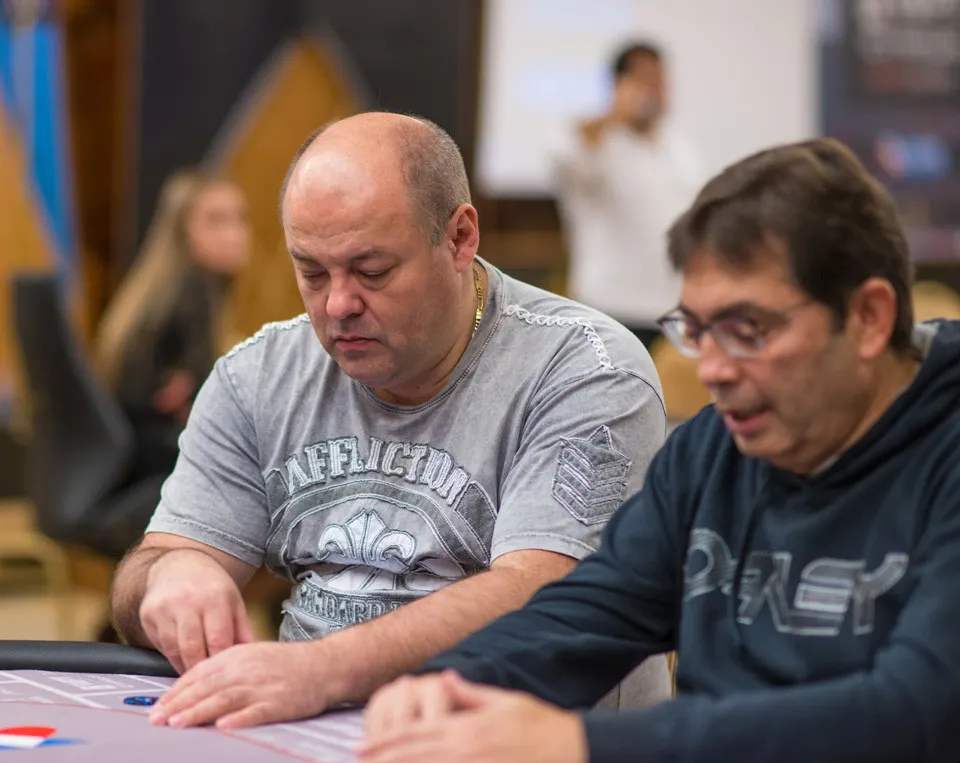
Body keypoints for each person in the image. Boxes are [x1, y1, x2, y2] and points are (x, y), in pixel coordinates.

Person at [349, 136, 960, 763]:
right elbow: (591, 612)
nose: (713, 370)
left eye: (749, 330)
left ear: (869, 318)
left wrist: (585, 753)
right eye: (697, 330)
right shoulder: (712, 450)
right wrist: (451, 683)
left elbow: (914, 715)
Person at [108, 111, 674, 729]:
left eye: (372, 271)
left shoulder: (586, 368)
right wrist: (171, 576)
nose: (338, 304)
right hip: (312, 732)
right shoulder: (258, 375)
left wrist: (320, 670)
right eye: (311, 272)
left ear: (460, 238)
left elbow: (542, 600)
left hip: (528, 748)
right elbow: (149, 566)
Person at [94, 170, 251, 481]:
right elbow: (208, 393)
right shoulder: (193, 286)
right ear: (183, 231)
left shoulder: (159, 290)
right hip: (152, 463)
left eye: (240, 218)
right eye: (216, 221)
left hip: (122, 458)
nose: (234, 234)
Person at [551, 40, 702, 350]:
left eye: (660, 79)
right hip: (609, 309)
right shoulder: (593, 143)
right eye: (644, 80)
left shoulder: (679, 148)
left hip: (671, 311)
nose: (655, 90)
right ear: (620, 85)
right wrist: (611, 117)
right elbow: (569, 160)